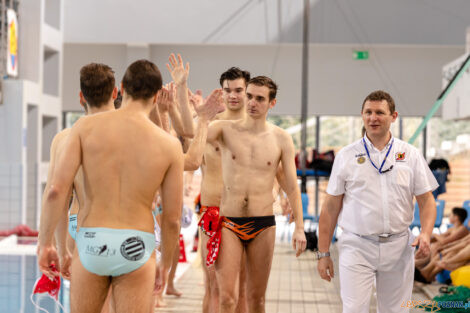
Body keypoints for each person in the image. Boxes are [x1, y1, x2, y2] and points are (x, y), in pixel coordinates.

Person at [37, 59, 183, 313]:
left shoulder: (84, 127)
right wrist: (166, 264)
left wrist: (46, 243)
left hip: (92, 240)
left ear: (122, 88)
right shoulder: (169, 145)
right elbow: (172, 219)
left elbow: (56, 191)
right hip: (137, 243)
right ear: (158, 94)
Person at [317, 90, 438, 313]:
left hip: (399, 246)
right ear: (362, 116)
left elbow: (426, 200)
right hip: (357, 245)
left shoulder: (409, 154)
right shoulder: (346, 156)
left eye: (380, 113)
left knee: (397, 310)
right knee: (354, 309)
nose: (373, 118)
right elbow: (331, 207)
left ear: (393, 116)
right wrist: (323, 254)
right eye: (368, 112)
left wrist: (426, 234)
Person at [206, 75, 307, 313]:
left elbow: (292, 186)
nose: (252, 102)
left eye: (260, 99)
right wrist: (200, 114)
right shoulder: (223, 129)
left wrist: (300, 227)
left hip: (263, 224)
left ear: (272, 103)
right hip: (229, 222)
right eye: (249, 96)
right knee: (227, 298)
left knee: (257, 299)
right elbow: (189, 135)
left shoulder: (281, 138)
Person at [46, 63, 118, 281]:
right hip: (123, 227)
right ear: (115, 93)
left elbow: (56, 194)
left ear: (80, 97)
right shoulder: (132, 134)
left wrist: (56, 246)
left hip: (80, 226)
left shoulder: (63, 139)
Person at [198, 67, 251, 313]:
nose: (233, 95)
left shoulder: (257, 128)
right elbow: (188, 137)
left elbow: (273, 169)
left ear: (247, 91)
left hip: (245, 217)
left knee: (242, 293)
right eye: (228, 90)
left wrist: (278, 195)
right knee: (213, 288)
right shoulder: (211, 126)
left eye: (239, 90)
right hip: (213, 213)